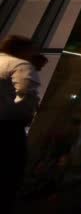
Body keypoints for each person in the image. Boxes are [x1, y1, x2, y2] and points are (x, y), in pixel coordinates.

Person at [0, 35, 40, 213]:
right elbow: (24, 94)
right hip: (8, 128)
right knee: (8, 178)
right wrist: (27, 114)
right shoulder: (20, 65)